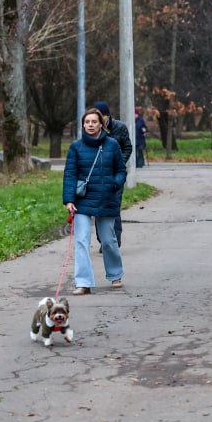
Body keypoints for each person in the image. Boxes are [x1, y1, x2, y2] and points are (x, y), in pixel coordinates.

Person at [64, 107, 126, 294]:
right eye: (87, 122)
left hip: (106, 198)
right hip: (83, 200)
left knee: (108, 240)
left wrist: (114, 184)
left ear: (101, 124)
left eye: (94, 122)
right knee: (81, 241)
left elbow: (121, 170)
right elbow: (70, 174)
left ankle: (115, 275)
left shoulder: (112, 145)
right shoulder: (76, 147)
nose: (90, 125)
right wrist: (68, 199)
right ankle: (83, 283)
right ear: (83, 125)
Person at [91, 101, 131, 247]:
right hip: (97, 176)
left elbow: (128, 147)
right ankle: (102, 239)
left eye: (102, 117)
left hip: (115, 175)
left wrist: (120, 161)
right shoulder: (92, 128)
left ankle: (114, 240)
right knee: (98, 207)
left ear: (108, 116)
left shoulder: (120, 128)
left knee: (113, 206)